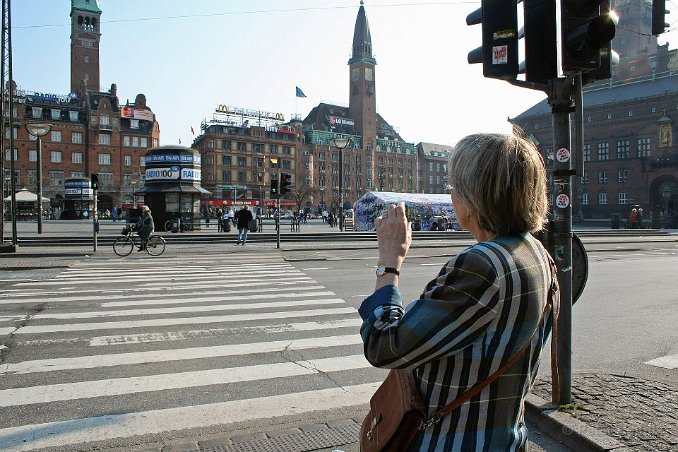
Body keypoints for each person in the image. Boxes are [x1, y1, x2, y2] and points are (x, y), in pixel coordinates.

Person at [359, 132, 558, 451]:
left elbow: (384, 346)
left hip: (455, 441)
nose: (451, 195)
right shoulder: (539, 254)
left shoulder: (480, 266)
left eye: (454, 187)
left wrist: (389, 262)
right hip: (504, 438)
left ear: (473, 197)